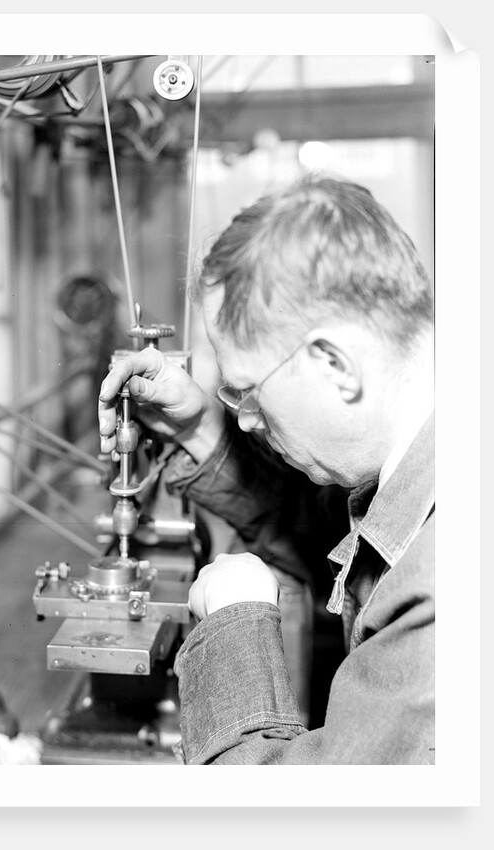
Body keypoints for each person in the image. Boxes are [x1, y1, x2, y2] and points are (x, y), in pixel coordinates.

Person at [98, 175, 435, 765]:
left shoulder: (440, 587)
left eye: (249, 391)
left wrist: (234, 629)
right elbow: (324, 526)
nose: (247, 421)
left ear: (333, 364)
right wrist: (197, 429)